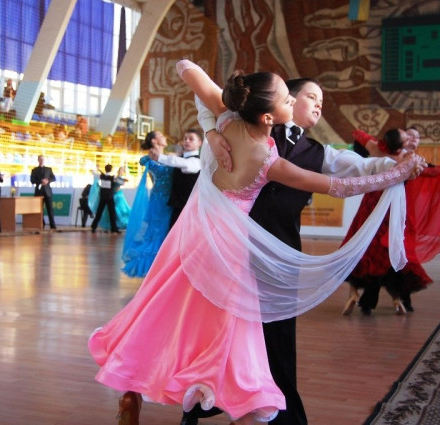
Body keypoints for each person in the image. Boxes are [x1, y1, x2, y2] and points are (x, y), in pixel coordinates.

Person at [88, 60, 423, 425]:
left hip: (196, 239)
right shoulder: (267, 158)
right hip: (233, 254)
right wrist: (397, 173)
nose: (311, 104)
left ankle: (141, 389)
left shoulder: (232, 123)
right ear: (270, 114)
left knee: (169, 314)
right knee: (227, 338)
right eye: (299, 97)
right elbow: (340, 187)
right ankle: (234, 402)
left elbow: (187, 68)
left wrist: (213, 128)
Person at [184, 79, 424, 425]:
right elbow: (204, 92)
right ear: (287, 99)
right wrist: (209, 132)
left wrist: (399, 167)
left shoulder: (317, 153)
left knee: (278, 342)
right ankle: (198, 405)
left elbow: (360, 167)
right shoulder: (246, 125)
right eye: (312, 96)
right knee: (218, 334)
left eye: (322, 100)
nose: (319, 104)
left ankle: (283, 417)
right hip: (228, 252)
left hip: (279, 257)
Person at [342, 128, 440, 315]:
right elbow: (434, 171)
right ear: (401, 145)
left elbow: (357, 132)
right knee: (397, 249)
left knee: (366, 248)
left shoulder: (376, 148)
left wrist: (363, 151)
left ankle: (364, 298)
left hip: (370, 206)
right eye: (409, 136)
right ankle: (398, 299)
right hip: (392, 208)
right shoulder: (406, 159)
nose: (413, 139)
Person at [120, 131, 174, 278]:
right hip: (160, 201)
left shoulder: (168, 157)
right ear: (154, 141)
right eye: (161, 136)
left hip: (168, 199)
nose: (165, 137)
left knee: (165, 231)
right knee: (158, 232)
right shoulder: (151, 158)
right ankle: (156, 267)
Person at [149, 128, 203, 229]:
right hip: (174, 206)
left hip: (190, 208)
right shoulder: (178, 157)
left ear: (200, 143)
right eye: (185, 138)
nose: (187, 141)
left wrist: (160, 157)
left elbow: (185, 164)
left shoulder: (198, 161)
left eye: (191, 139)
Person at [97, 166, 131, 232]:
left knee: (119, 210)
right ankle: (113, 226)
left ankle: (115, 226)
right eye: (120, 170)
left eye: (122, 170)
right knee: (114, 211)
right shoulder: (113, 177)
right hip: (114, 195)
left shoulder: (115, 177)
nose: (121, 171)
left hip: (118, 195)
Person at [90, 164, 119, 234]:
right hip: (109, 197)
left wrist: (96, 168)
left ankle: (93, 227)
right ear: (111, 170)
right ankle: (113, 228)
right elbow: (119, 182)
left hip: (103, 197)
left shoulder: (102, 176)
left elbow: (93, 173)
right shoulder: (112, 177)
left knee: (99, 212)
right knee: (112, 213)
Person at [30, 155, 57, 230]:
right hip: (39, 192)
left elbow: (53, 178)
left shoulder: (48, 169)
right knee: (39, 209)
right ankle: (41, 223)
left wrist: (47, 181)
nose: (41, 160)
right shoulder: (34, 170)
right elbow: (32, 180)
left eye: (42, 159)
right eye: (40, 159)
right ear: (38, 160)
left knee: (50, 209)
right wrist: (40, 181)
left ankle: (52, 225)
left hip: (48, 191)